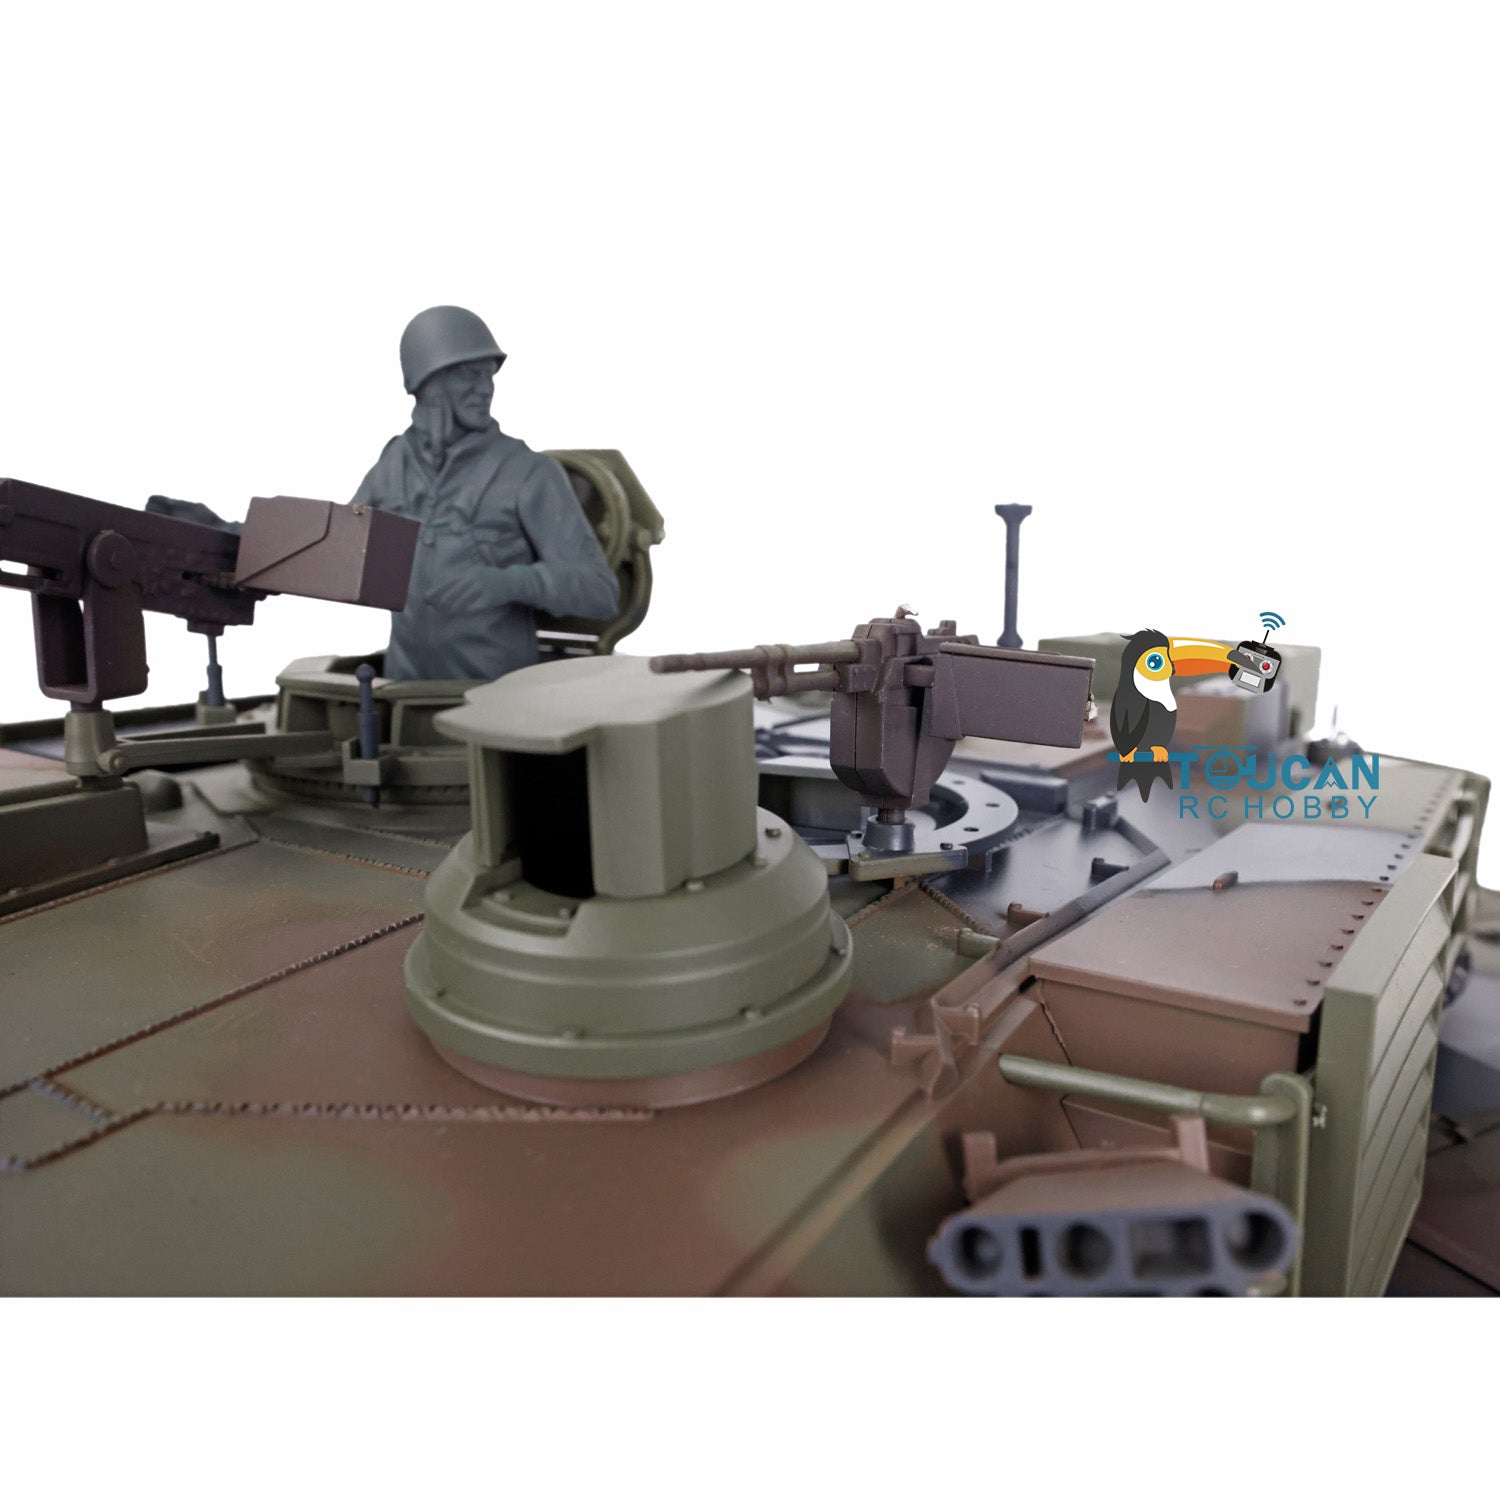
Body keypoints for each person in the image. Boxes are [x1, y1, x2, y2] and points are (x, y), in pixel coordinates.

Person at [352, 305, 619, 680]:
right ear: (429, 381)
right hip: (401, 693)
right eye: (470, 375)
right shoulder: (395, 463)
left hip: (497, 698)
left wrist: (506, 582)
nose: (486, 389)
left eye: (488, 375)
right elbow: (344, 550)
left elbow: (599, 591)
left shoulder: (528, 472)